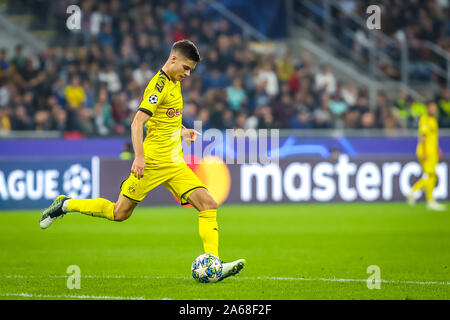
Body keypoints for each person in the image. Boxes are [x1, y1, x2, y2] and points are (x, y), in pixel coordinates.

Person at [40, 40, 246, 280]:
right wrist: (139, 157)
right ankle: (65, 204)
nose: (188, 74)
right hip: (152, 162)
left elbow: (164, 120)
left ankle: (214, 264)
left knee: (208, 203)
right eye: (186, 68)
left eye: (191, 70)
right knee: (120, 213)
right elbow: (137, 122)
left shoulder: (174, 82)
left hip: (174, 162)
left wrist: (182, 131)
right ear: (173, 60)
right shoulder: (157, 86)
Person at [407, 101, 446, 211]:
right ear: (428, 108)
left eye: (435, 107)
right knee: (429, 176)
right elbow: (423, 136)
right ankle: (414, 191)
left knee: (432, 176)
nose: (434, 109)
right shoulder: (425, 119)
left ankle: (430, 201)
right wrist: (423, 152)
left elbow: (432, 137)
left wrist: (437, 149)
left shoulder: (433, 120)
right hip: (426, 152)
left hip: (433, 152)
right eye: (432, 107)